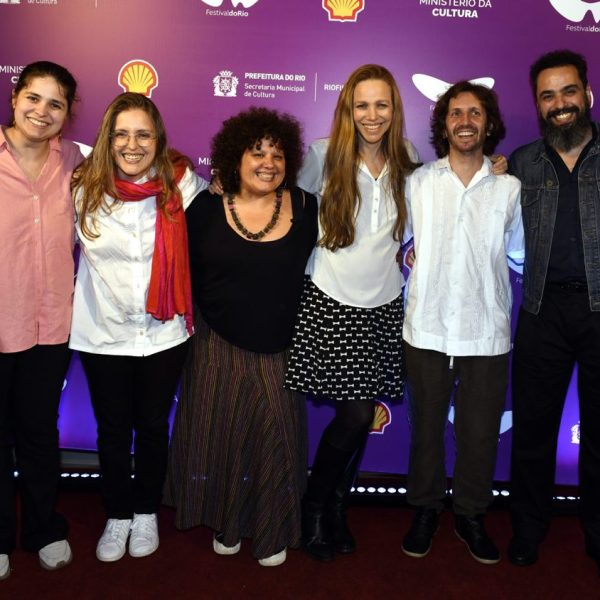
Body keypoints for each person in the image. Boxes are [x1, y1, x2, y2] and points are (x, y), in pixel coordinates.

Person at [164, 107, 317, 567]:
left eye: (277, 154)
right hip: (216, 345)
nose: (268, 162)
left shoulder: (309, 206)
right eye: (256, 153)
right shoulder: (205, 206)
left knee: (274, 438)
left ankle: (271, 529)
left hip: (280, 344)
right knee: (221, 438)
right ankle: (225, 522)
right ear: (234, 159)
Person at [284, 64, 420, 562]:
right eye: (361, 105)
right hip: (330, 301)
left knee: (359, 418)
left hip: (383, 304)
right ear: (347, 108)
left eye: (381, 105)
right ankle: (316, 508)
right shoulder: (321, 156)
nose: (372, 115)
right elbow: (280, 201)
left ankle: (335, 510)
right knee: (356, 413)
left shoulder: (407, 157)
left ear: (394, 108)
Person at [70, 92, 206, 563]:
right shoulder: (82, 188)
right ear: (108, 139)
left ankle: (146, 510)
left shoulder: (183, 187)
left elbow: (229, 223)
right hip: (102, 333)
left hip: (163, 335)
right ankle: (118, 514)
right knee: (111, 429)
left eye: (143, 134)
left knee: (151, 426)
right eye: (122, 134)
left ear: (158, 140)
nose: (132, 145)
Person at [400, 81, 523, 565]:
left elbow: (519, 254)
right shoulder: (418, 182)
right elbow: (394, 239)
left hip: (486, 332)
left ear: (488, 123)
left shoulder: (509, 189)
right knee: (425, 430)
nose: (465, 121)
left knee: (478, 434)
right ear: (443, 123)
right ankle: (425, 510)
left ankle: (471, 514)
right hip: (426, 327)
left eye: (475, 113)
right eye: (456, 113)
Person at [508, 49, 600, 574]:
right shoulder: (522, 163)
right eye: (548, 96)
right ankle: (527, 528)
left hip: (599, 310)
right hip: (542, 310)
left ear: (586, 94)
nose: (560, 104)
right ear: (538, 104)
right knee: (535, 430)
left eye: (568, 92)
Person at [0, 61, 82, 579]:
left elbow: (143, 162)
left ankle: (43, 528)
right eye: (34, 98)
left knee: (39, 432)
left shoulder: (76, 160)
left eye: (55, 103)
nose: (42, 111)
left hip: (51, 326)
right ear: (14, 98)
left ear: (68, 113)